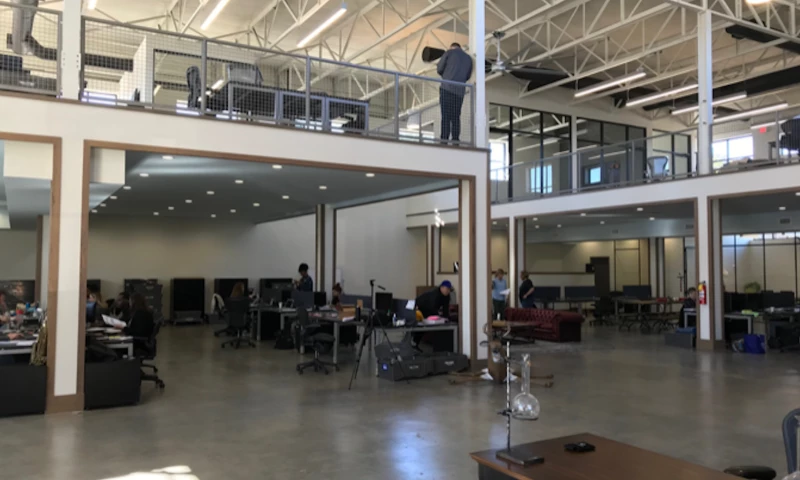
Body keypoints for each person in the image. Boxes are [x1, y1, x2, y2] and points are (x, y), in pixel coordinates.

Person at [436, 43, 473, 143]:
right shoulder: (468, 58)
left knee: (445, 116)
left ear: (451, 47)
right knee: (456, 116)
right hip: (459, 91)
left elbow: (439, 69)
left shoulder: (449, 53)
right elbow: (468, 76)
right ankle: (455, 140)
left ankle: (444, 139)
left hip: (447, 88)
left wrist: (447, 74)